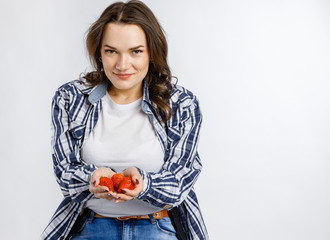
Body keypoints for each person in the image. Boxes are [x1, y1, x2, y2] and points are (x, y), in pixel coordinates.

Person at [41, 1, 208, 239]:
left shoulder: (181, 103)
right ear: (99, 52)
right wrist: (93, 177)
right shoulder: (69, 98)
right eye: (111, 51)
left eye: (135, 51)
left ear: (152, 52)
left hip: (158, 228)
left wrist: (144, 183)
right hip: (91, 228)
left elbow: (182, 177)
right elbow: (64, 173)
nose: (122, 65)